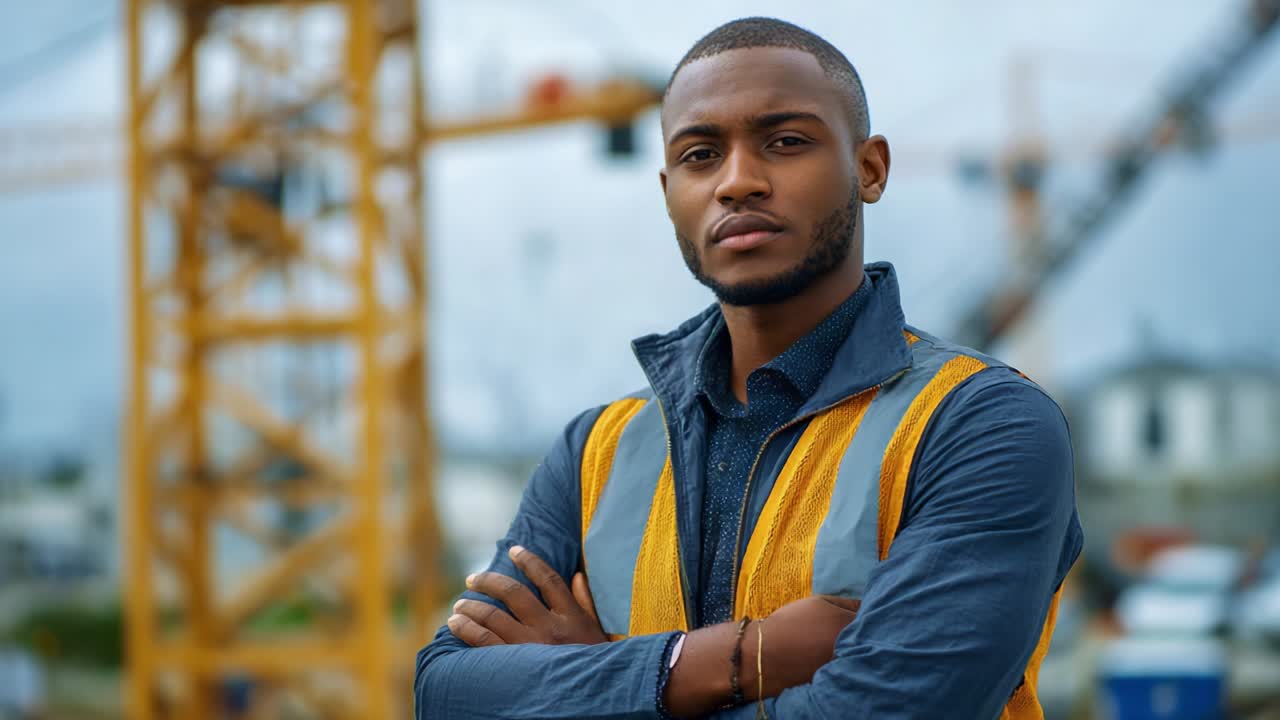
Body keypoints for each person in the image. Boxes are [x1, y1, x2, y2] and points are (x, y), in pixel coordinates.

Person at [416, 16, 1082, 719]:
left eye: (785, 142)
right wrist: (731, 658)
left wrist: (588, 674)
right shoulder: (595, 453)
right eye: (702, 155)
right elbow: (446, 691)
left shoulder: (980, 426)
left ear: (870, 168)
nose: (737, 182)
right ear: (668, 192)